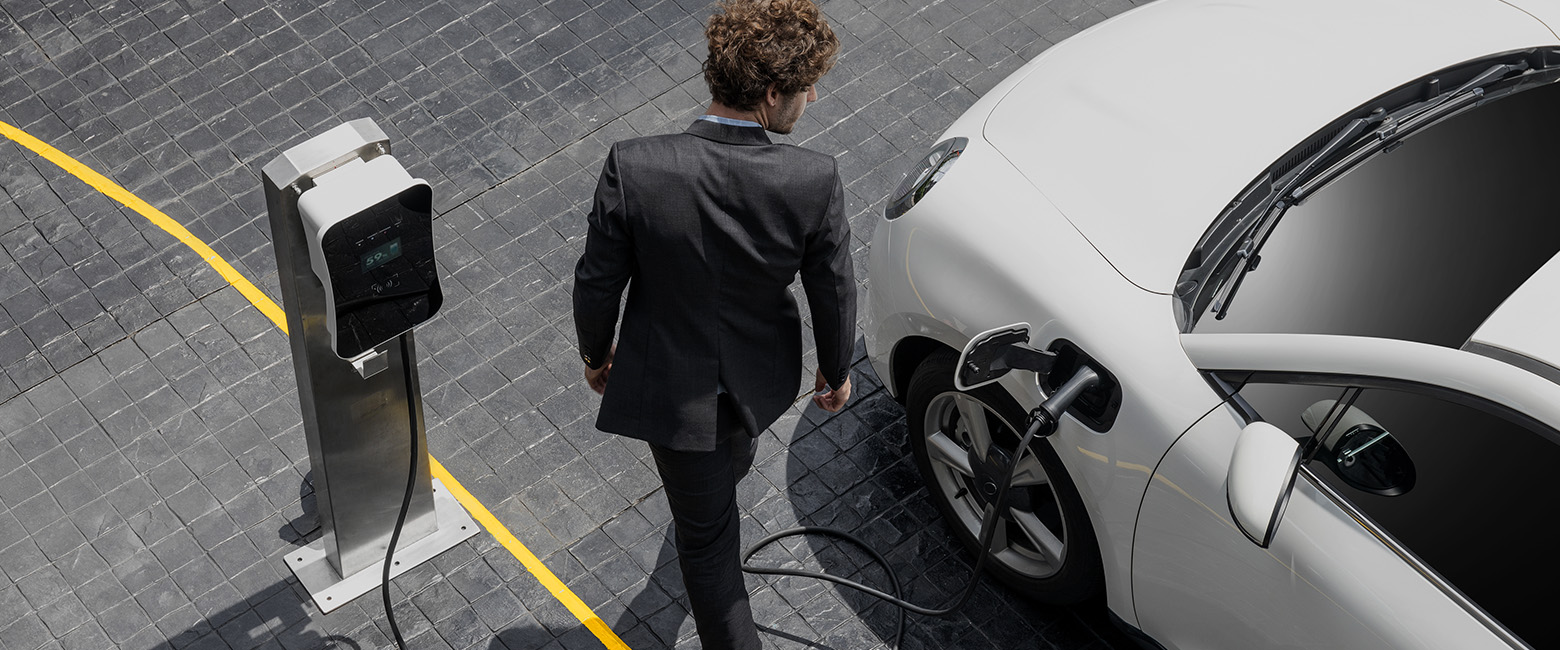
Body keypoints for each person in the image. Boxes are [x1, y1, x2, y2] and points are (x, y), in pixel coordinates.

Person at [571, 0, 852, 647]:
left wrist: (596, 355)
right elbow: (833, 287)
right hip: (761, 379)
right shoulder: (812, 178)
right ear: (772, 93)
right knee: (712, 552)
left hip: (672, 393)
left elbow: (596, 281)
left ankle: (710, 494)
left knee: (705, 532)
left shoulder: (635, 166)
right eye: (807, 85)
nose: (813, 96)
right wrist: (836, 370)